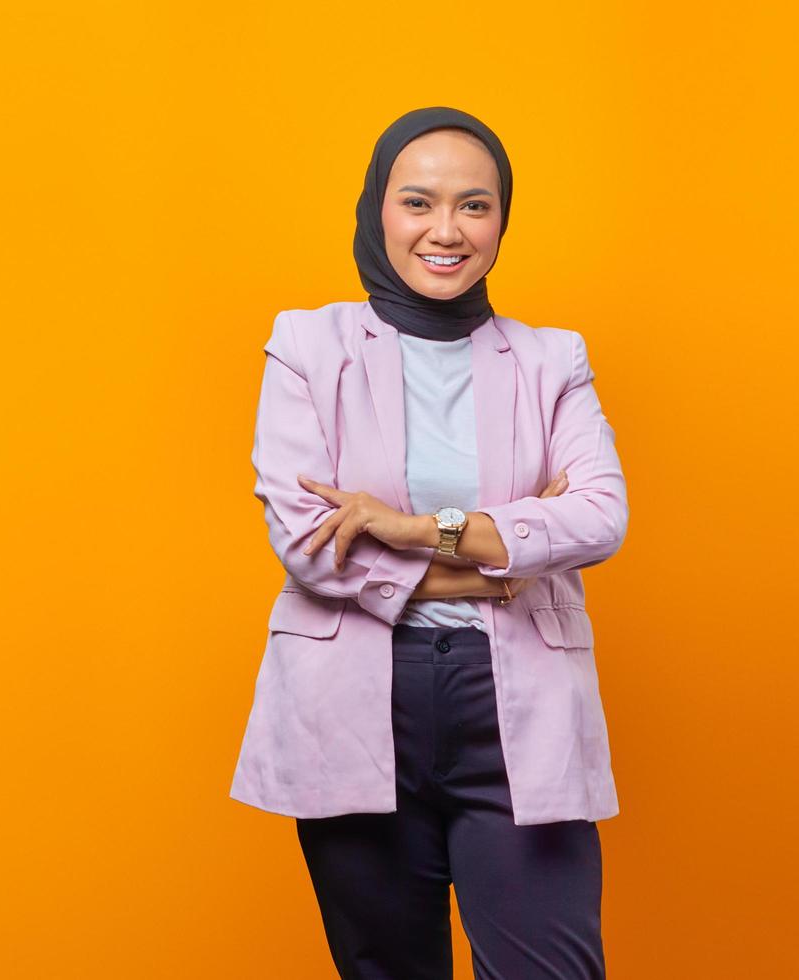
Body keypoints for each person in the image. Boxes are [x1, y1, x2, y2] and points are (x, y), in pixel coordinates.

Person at [230, 106, 629, 979]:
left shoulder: (551, 360)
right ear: (379, 209)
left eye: (475, 206)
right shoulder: (308, 345)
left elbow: (599, 517)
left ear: (502, 220)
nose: (446, 231)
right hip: (356, 704)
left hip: (518, 701)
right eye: (419, 202)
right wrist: (503, 559)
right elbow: (308, 544)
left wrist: (412, 529)